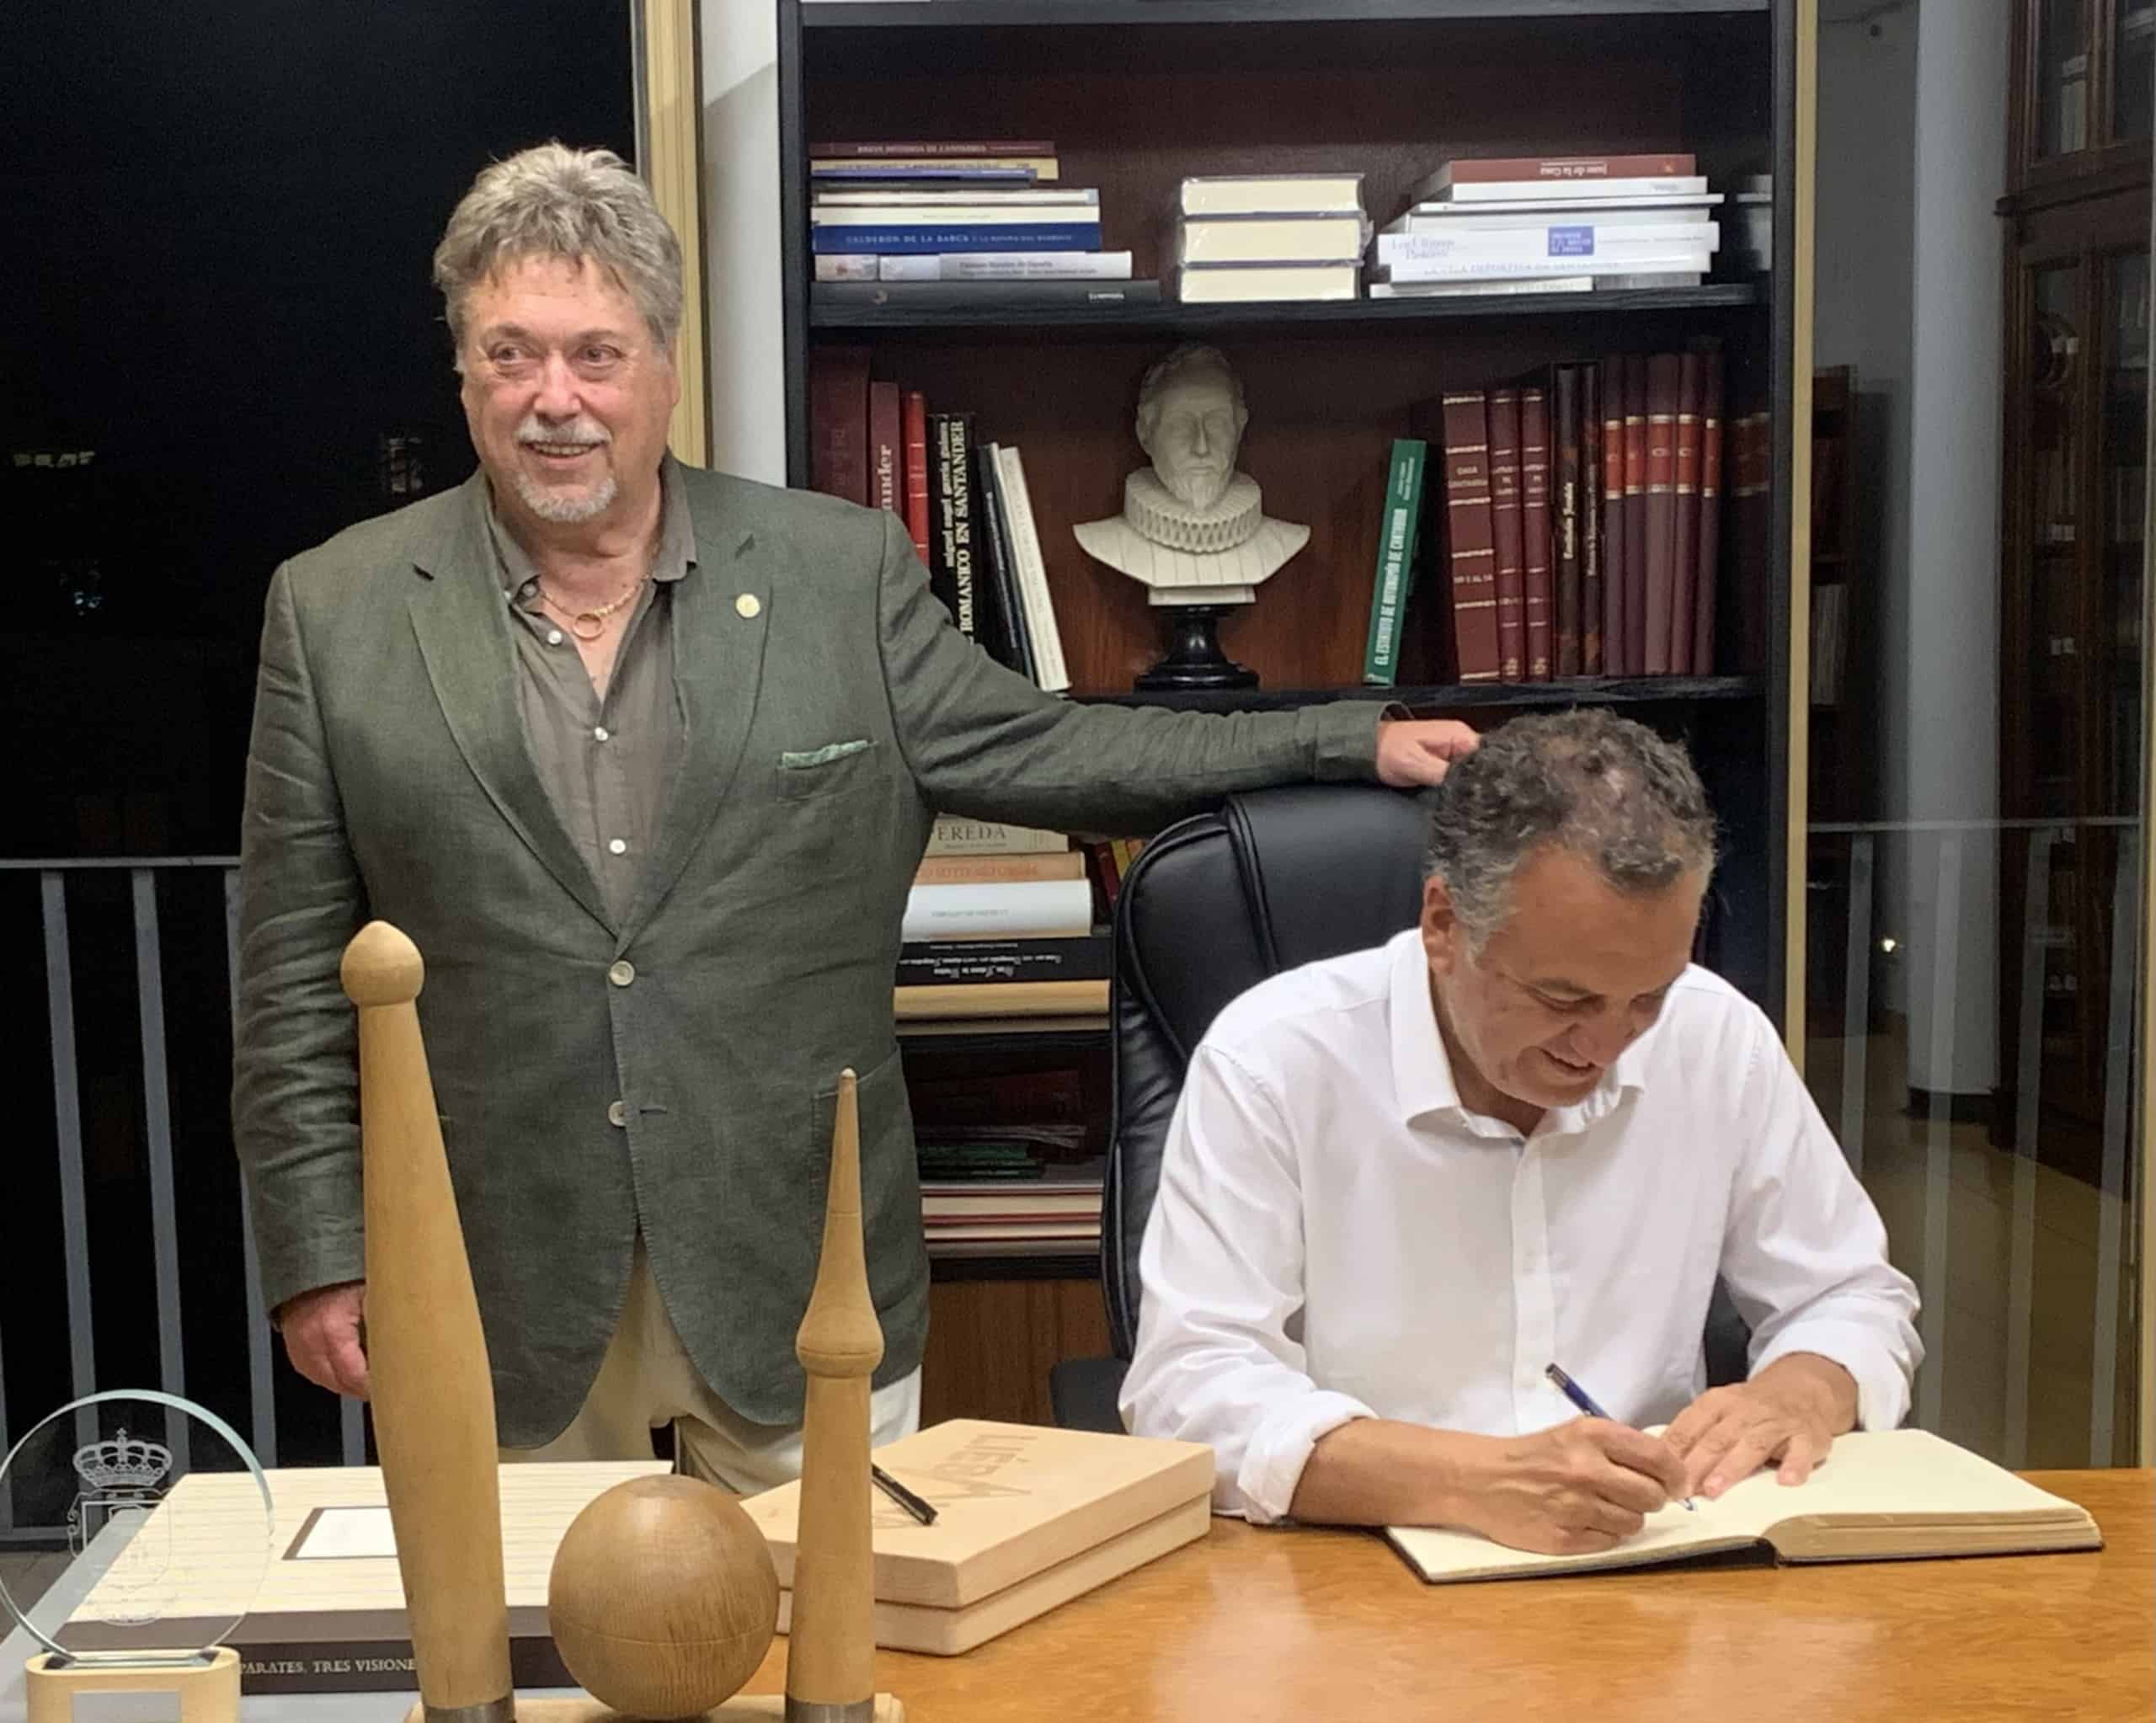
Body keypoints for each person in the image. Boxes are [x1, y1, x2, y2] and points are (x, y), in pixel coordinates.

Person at [230, 143, 1478, 1491]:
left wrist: (1335, 736)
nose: (555, 399)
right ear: (465, 371)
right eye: (510, 354)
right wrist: (318, 1252)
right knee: (521, 1630)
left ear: (664, 364)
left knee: (824, 1627)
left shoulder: (838, 572)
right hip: (490, 1272)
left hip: (798, 1267)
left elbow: (1054, 749)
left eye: (595, 354)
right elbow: (289, 978)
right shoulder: (335, 610)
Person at [1120, 709, 1919, 1555]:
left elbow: (1849, 1294)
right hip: (1357, 1564)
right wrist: (1472, 1481)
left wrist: (1801, 1390)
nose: (1604, 1047)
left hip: (1652, 1555)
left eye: (1646, 997)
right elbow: (1186, 1392)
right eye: (1563, 999)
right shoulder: (1275, 1058)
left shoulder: (1713, 1035)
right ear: (1443, 925)